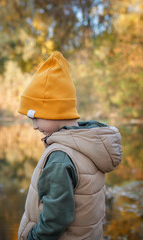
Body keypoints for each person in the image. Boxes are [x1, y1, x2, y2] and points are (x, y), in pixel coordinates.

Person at [17, 51, 123, 240]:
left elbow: (55, 219)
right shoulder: (89, 143)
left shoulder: (60, 158)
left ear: (54, 111)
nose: (34, 127)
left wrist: (34, 237)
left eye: (35, 118)